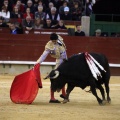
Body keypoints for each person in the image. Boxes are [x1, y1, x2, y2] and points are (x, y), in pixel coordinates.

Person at [35, 33, 67, 103]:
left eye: (55, 41)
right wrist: (38, 63)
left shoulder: (59, 39)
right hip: (59, 61)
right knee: (56, 78)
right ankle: (52, 98)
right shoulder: (49, 45)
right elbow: (44, 55)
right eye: (53, 41)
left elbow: (64, 51)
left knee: (65, 77)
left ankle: (64, 94)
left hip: (65, 61)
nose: (54, 42)